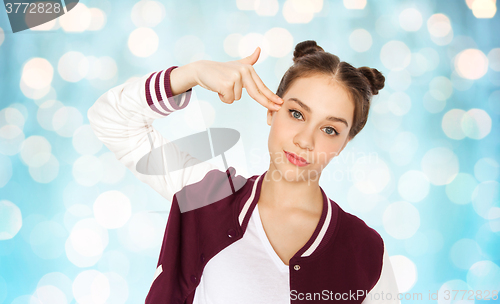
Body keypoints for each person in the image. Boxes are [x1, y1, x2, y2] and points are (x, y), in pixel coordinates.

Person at [88, 40, 400, 303]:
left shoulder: (367, 253)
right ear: (271, 110)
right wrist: (191, 74)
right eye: (296, 113)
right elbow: (111, 120)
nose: (305, 140)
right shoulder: (204, 195)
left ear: (344, 143)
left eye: (330, 129)